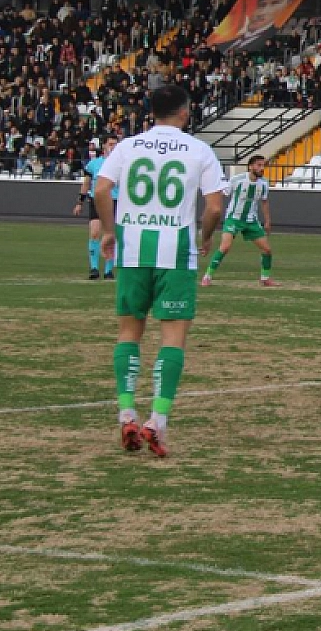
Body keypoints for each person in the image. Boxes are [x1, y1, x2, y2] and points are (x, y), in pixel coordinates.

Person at [94, 83, 226, 458]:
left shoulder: (128, 146)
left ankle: (126, 413)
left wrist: (109, 231)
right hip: (175, 254)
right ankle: (158, 420)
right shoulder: (200, 150)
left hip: (133, 250)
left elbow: (102, 190)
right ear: (184, 112)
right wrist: (204, 238)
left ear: (151, 111)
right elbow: (214, 208)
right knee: (172, 339)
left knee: (128, 333)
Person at [201, 155, 276, 288]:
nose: (262, 168)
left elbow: (264, 202)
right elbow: (223, 194)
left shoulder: (264, 183)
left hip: (251, 221)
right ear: (250, 166)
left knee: (267, 250)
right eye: (259, 165)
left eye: (263, 165)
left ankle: (265, 278)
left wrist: (268, 221)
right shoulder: (237, 180)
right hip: (234, 219)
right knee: (225, 247)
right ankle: (207, 276)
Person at [74, 136, 119, 279]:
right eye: (110, 144)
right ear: (104, 146)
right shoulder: (94, 164)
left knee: (112, 235)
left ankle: (108, 270)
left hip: (115, 200)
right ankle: (94, 268)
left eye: (115, 144)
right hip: (97, 200)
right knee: (94, 233)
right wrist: (80, 202)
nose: (113, 147)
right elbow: (86, 183)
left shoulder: (121, 165)